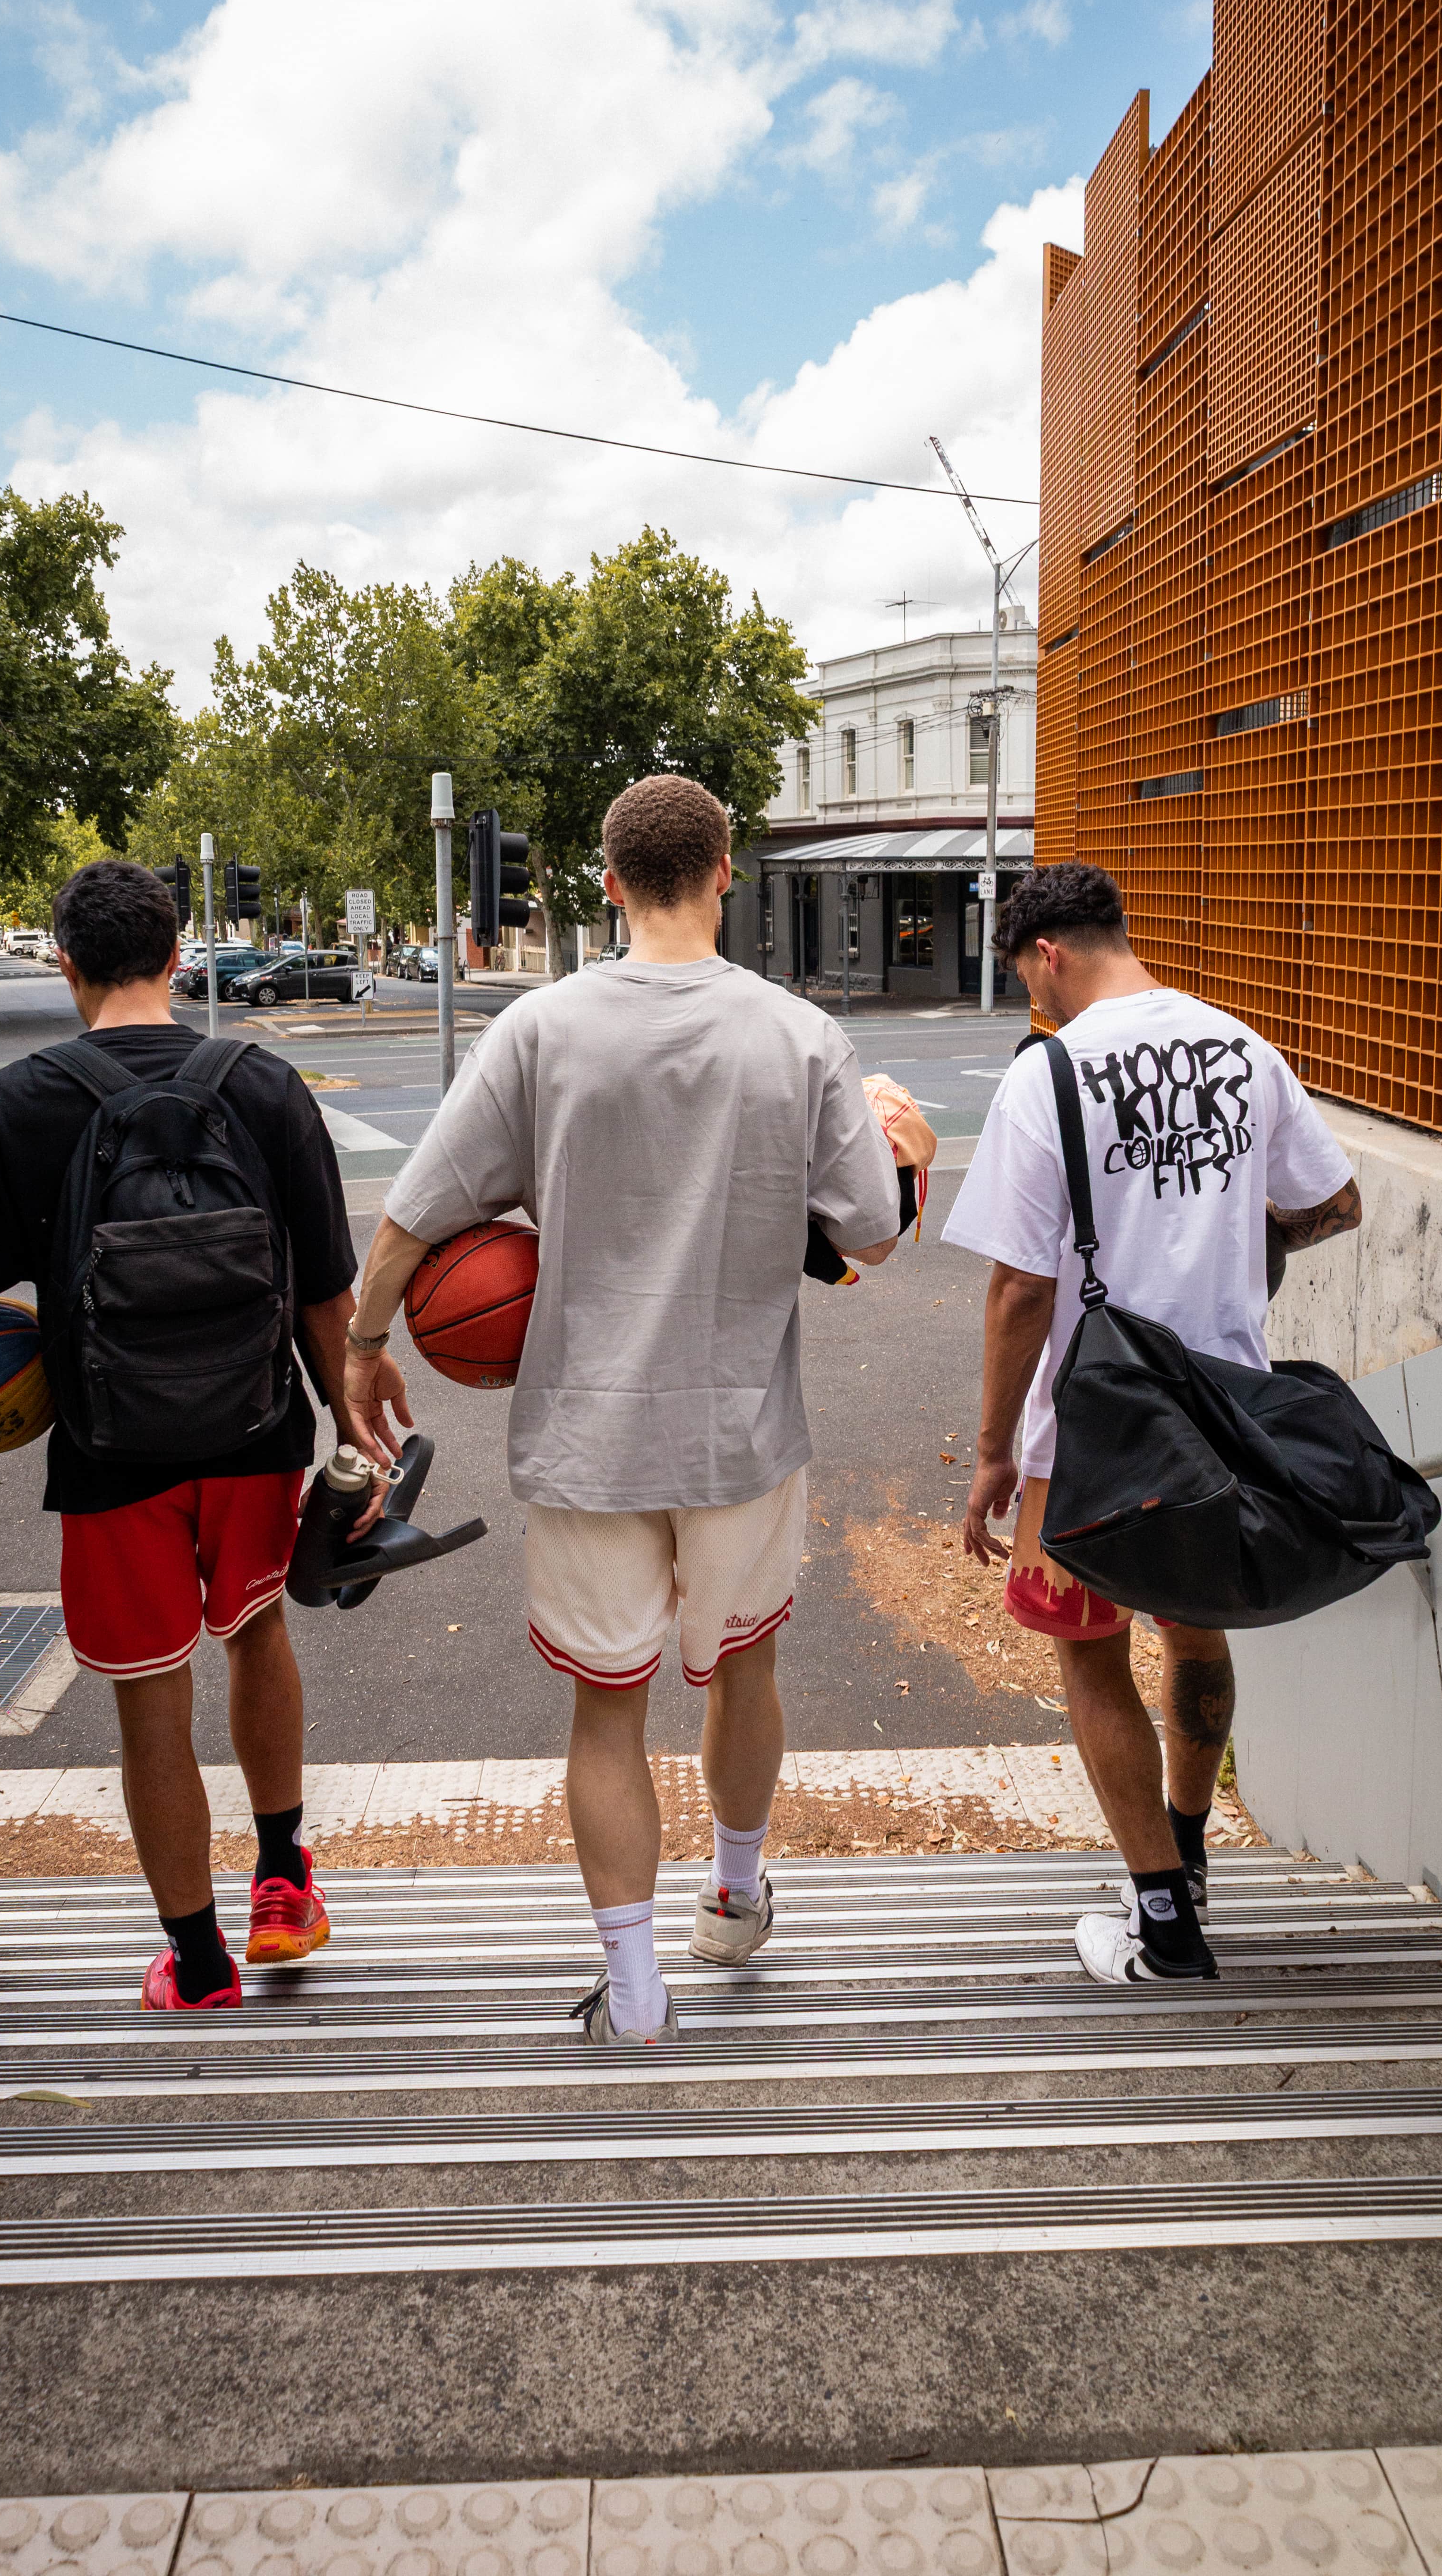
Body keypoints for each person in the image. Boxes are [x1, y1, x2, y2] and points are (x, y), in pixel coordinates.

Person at [341, 774, 901, 2044]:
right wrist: (897, 1142)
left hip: (586, 1436)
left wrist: (369, 1345)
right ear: (723, 876)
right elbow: (873, 1228)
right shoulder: (801, 1037)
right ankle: (739, 1891)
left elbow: (412, 1218)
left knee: (608, 1706)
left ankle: (638, 1996)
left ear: (606, 885)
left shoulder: (540, 1032)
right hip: (742, 1431)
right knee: (744, 1668)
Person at [0, 857, 392, 2011]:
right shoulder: (264, 1086)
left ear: (65, 964)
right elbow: (323, 1296)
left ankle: (199, 1970)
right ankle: (284, 1886)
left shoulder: (15, 1105)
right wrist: (348, 1402)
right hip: (256, 1432)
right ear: (174, 952)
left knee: (151, 1700)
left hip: (110, 1459)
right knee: (257, 1639)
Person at [943, 861, 1361, 1985]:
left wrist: (991, 1452)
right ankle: (1184, 1854)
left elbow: (1021, 1290)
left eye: (1035, 986)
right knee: (1193, 1629)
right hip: (1224, 1408)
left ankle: (1164, 1927)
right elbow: (1334, 1203)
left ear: (1047, 957)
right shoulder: (1242, 1046)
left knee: (1088, 1654)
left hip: (1091, 1424)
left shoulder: (1049, 1075)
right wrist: (1235, 1249)